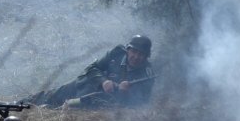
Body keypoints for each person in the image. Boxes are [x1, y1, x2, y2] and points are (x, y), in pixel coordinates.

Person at [21, 35, 156, 109]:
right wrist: (104, 81)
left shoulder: (147, 74)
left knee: (51, 109)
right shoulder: (116, 53)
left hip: (96, 102)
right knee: (49, 96)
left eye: (141, 54)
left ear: (146, 57)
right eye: (134, 52)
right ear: (128, 50)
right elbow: (91, 68)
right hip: (84, 85)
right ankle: (17, 104)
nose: (136, 57)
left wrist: (125, 92)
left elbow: (141, 102)